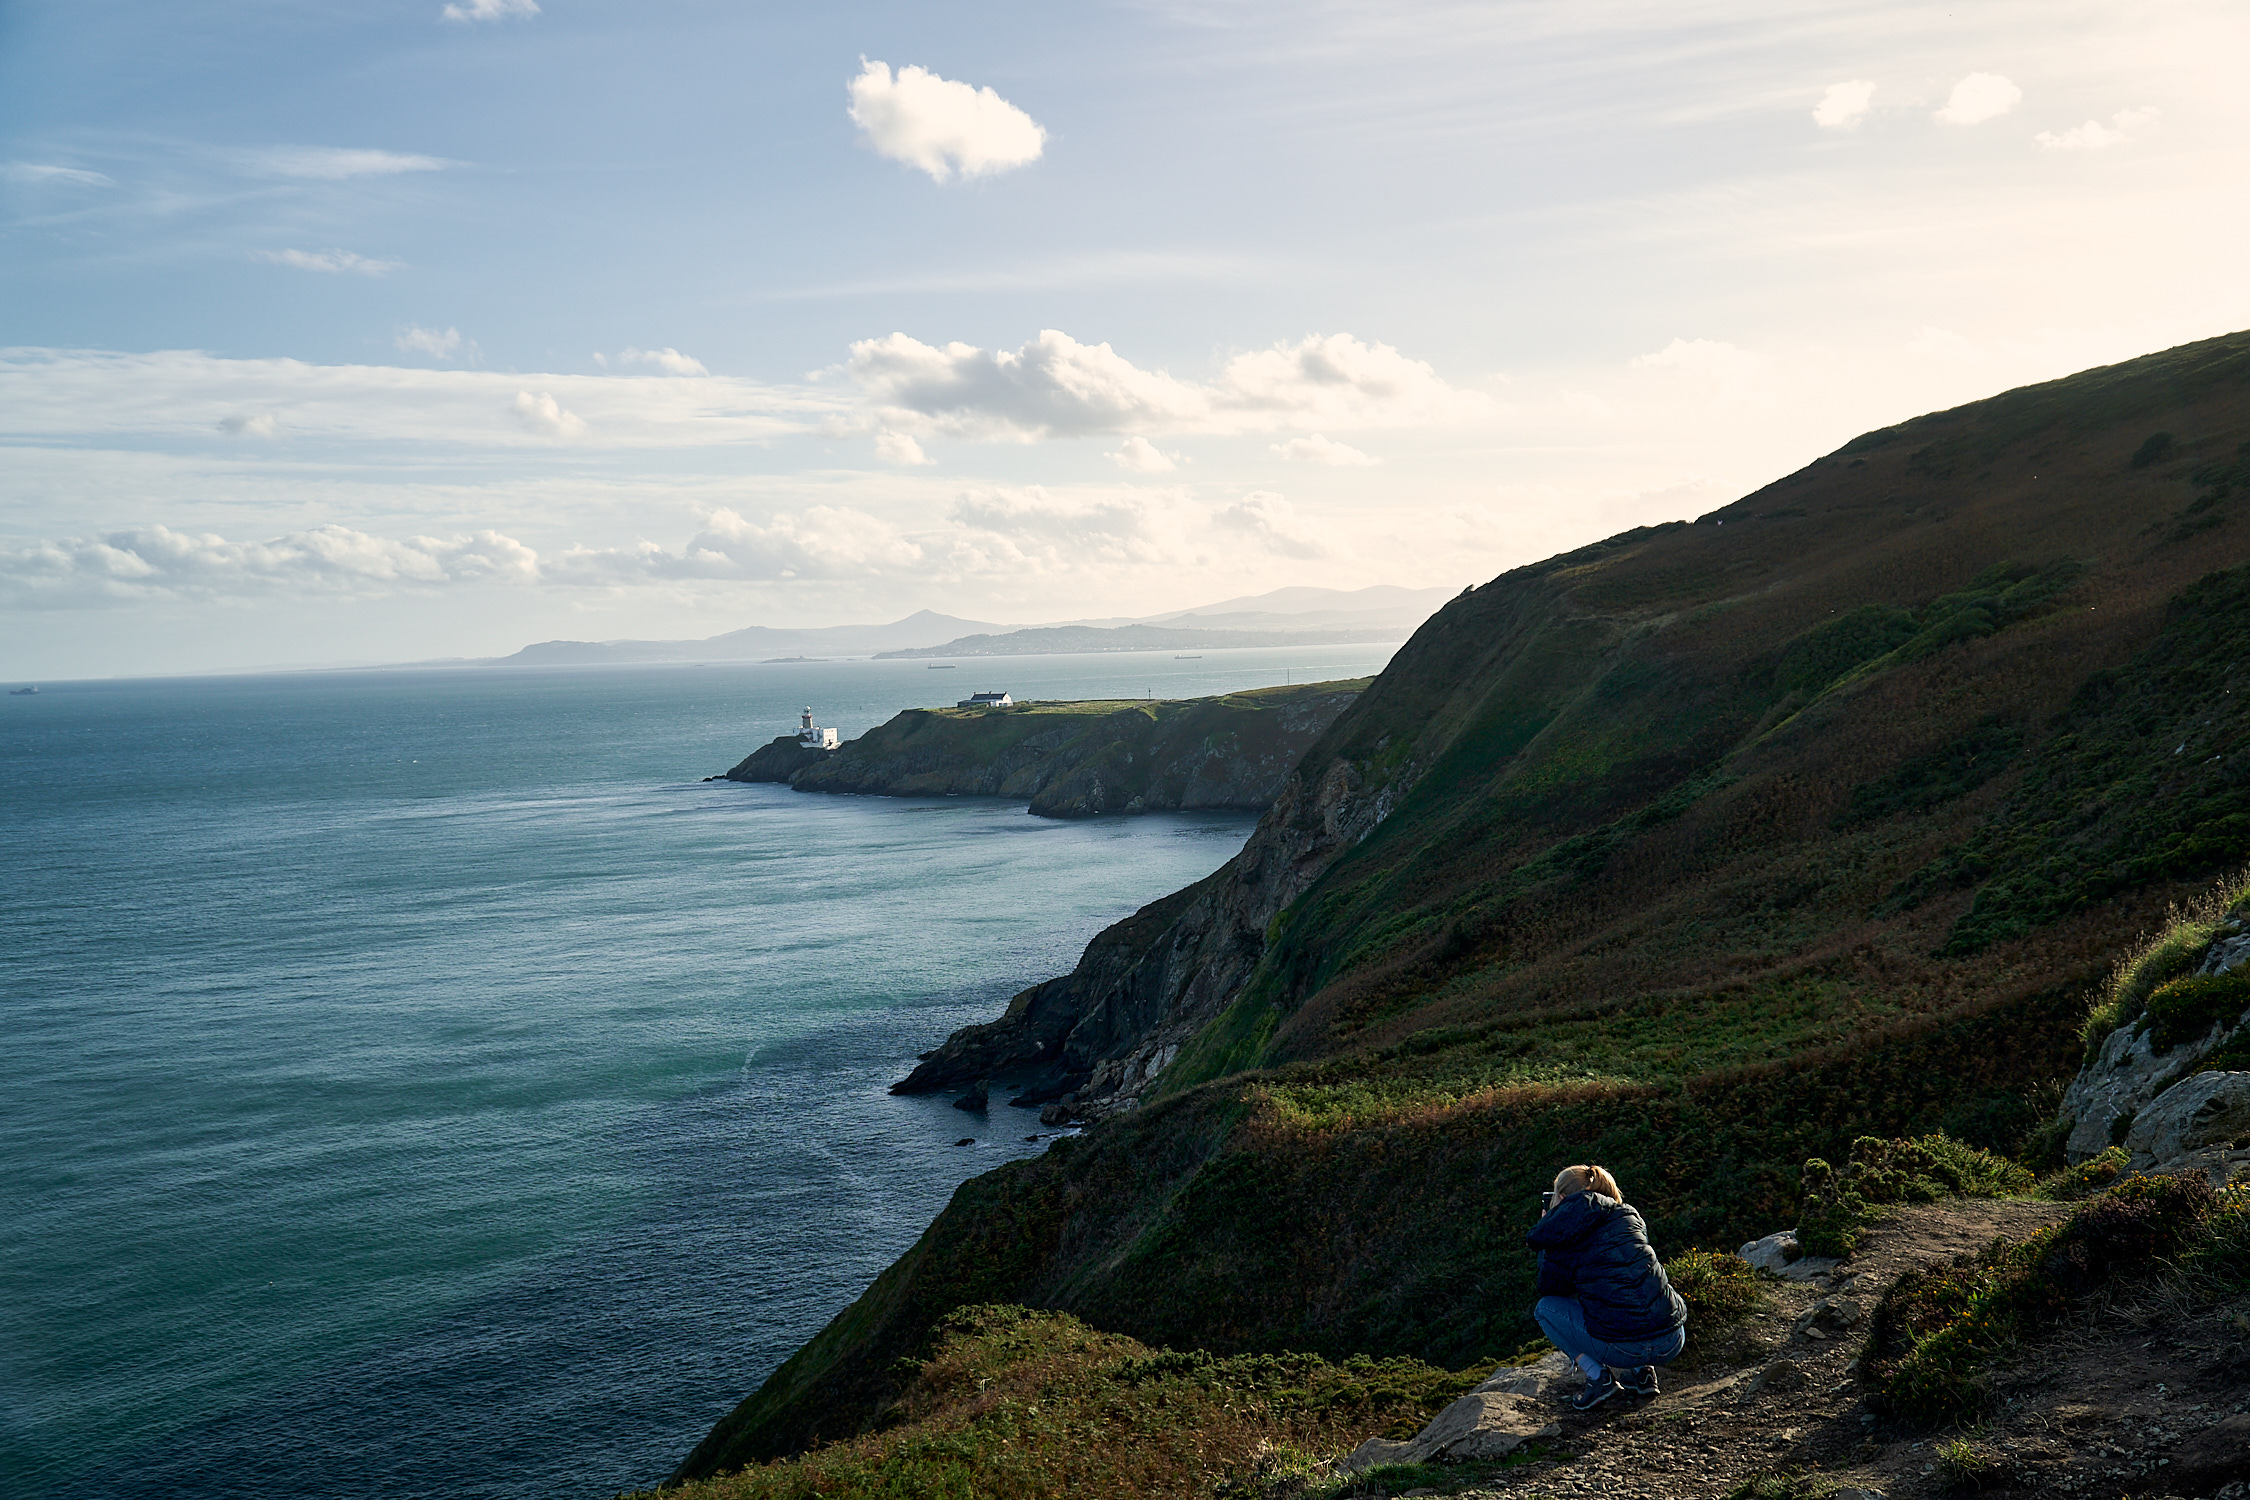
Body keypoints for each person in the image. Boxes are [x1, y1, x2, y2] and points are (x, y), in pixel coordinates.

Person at [1524, 1164, 1688, 1411]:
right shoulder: (1630, 1215)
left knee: (1545, 1309)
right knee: (1634, 1282)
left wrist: (1551, 1234)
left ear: (1563, 1198)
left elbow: (1550, 1288)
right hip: (1672, 1339)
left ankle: (1599, 1379)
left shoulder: (1567, 1233)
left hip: (1622, 1349)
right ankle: (1642, 1374)